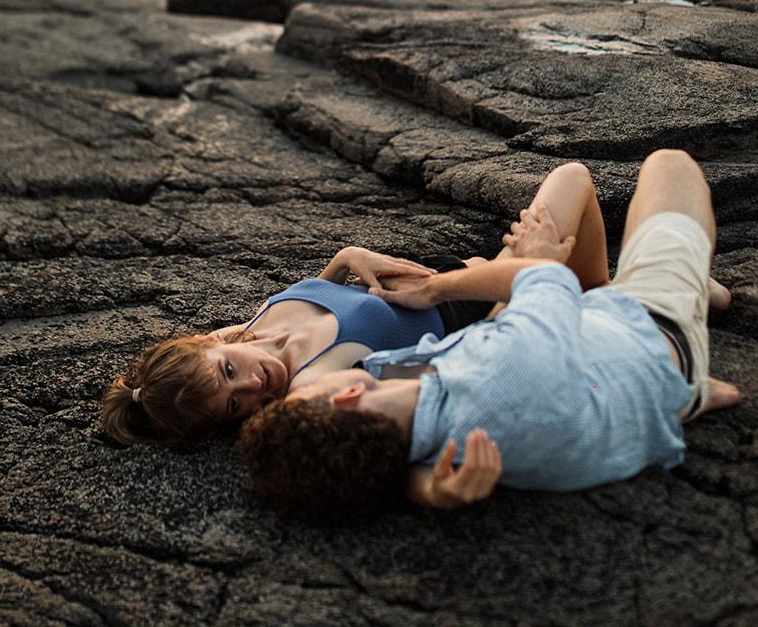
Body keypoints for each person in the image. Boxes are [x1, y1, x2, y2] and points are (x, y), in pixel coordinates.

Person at [238, 151, 741, 521]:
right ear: (346, 396)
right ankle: (691, 314)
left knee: (564, 208)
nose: (301, 384)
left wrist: (429, 493)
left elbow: (391, 472)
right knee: (668, 167)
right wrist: (444, 287)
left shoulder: (408, 443)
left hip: (595, 378)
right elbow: (548, 279)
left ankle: (690, 354)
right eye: (302, 396)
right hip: (647, 329)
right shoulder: (505, 372)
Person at [98, 162, 611, 449]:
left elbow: (316, 298)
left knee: (573, 184)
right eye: (235, 404)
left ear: (208, 343)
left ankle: (594, 297)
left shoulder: (247, 330)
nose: (253, 384)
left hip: (462, 271)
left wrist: (347, 258)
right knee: (572, 179)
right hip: (486, 301)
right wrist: (515, 285)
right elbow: (455, 364)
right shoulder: (311, 386)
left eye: (228, 371)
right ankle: (591, 305)